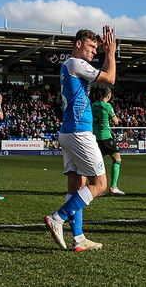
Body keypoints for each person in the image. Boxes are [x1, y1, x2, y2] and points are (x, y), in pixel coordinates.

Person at [44, 27, 117, 252]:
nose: (94, 51)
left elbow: (102, 75)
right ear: (78, 44)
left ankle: (78, 238)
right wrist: (111, 52)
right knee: (101, 184)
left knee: (78, 185)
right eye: (91, 46)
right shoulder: (76, 63)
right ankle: (58, 217)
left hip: (69, 131)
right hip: (79, 132)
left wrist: (105, 53)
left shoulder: (71, 66)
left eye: (97, 48)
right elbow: (110, 79)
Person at [91, 87, 124, 195]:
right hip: (105, 136)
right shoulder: (107, 106)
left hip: (95, 137)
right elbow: (116, 122)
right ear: (109, 96)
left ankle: (97, 188)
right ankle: (113, 187)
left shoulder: (94, 105)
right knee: (117, 158)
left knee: (98, 162)